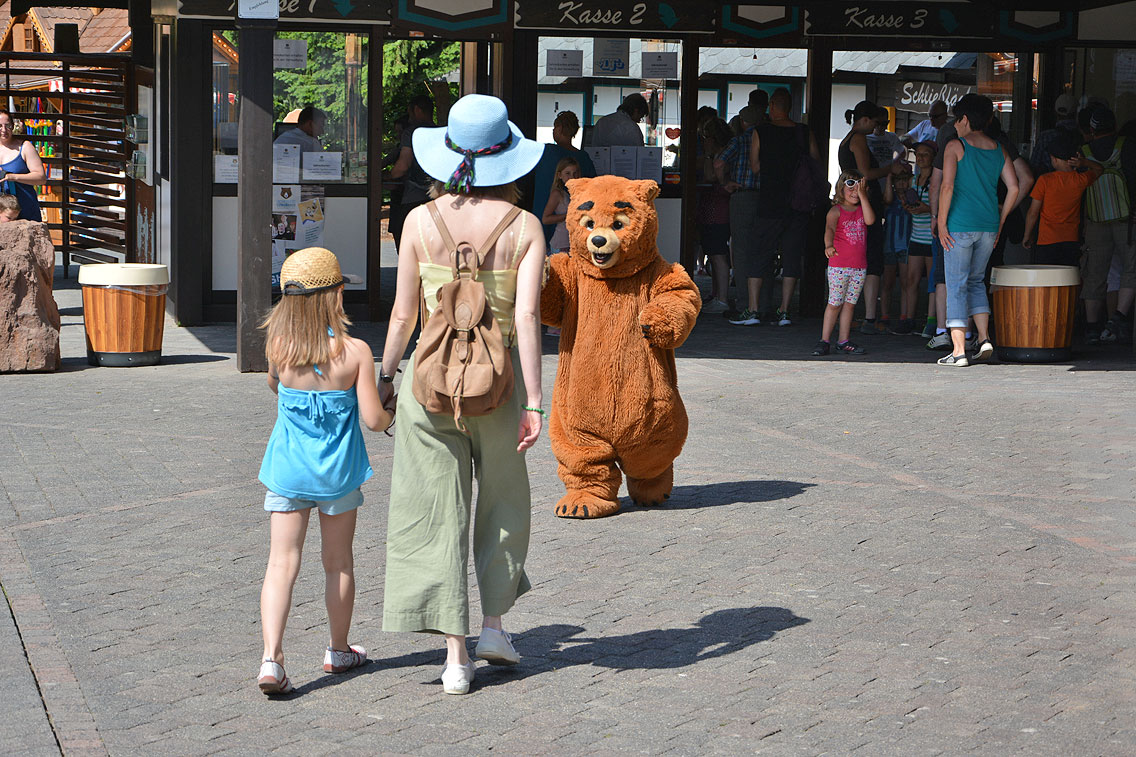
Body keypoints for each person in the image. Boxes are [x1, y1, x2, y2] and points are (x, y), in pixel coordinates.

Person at [377, 94, 546, 696]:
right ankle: (495, 627)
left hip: (430, 384)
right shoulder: (525, 228)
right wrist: (534, 401)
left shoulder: (419, 223)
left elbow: (401, 316)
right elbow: (527, 318)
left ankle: (455, 657)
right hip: (499, 388)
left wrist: (386, 375)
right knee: (504, 500)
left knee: (434, 509)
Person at [255, 247, 393, 695]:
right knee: (338, 562)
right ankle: (338, 649)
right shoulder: (355, 353)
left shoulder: (279, 346)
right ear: (335, 296)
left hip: (287, 471)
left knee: (281, 563)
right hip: (337, 473)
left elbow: (276, 386)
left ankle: (272, 660)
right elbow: (374, 419)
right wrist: (394, 410)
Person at [936, 94, 1020, 367]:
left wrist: (940, 221)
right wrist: (1001, 220)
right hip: (988, 227)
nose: (954, 125)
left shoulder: (955, 146)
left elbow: (947, 187)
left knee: (956, 285)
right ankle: (984, 338)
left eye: (956, 119)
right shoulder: (998, 149)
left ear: (965, 119)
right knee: (976, 283)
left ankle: (958, 351)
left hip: (959, 226)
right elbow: (1015, 187)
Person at [747, 87, 820, 326]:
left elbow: (755, 167)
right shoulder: (803, 132)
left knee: (759, 253)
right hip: (798, 204)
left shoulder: (761, 131)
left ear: (774, 106)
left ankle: (754, 309)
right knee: (791, 255)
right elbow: (815, 163)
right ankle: (785, 310)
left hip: (770, 201)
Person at [838, 101, 900, 334]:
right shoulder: (859, 139)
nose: (877, 127)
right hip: (866, 203)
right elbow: (866, 173)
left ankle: (850, 313)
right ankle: (870, 317)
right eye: (876, 122)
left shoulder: (846, 139)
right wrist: (889, 169)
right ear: (865, 120)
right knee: (872, 258)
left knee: (852, 256)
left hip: (850, 202)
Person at [1078, 107, 1136, 345]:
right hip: (1126, 218)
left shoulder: (1083, 152)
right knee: (1131, 267)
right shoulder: (1127, 146)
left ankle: (1092, 327)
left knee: (1095, 272)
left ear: (1091, 129)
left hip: (1095, 218)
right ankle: (1119, 316)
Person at [813, 171, 876, 356]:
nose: (855, 191)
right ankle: (824, 340)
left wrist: (863, 195)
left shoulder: (862, 209)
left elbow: (870, 220)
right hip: (839, 265)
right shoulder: (835, 210)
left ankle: (843, 340)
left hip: (858, 267)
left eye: (859, 186)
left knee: (850, 304)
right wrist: (828, 245)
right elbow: (830, 229)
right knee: (834, 303)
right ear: (841, 188)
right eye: (850, 186)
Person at [714, 105, 762, 325]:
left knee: (741, 251)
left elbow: (719, 162)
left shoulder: (739, 141)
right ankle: (763, 303)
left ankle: (745, 304)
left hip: (742, 196)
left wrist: (725, 183)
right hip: (767, 199)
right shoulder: (767, 139)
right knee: (763, 250)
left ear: (742, 122)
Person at [1022, 138, 1102, 266]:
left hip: (1046, 240)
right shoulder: (1080, 180)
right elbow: (1099, 169)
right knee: (1067, 281)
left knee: (1045, 280)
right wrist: (1084, 162)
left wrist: (1027, 235)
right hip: (1071, 239)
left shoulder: (1045, 180)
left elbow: (1033, 212)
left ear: (1054, 159)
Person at [530, 111, 596, 243]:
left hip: (542, 219)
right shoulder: (584, 158)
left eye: (555, 128)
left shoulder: (545, 152)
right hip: (570, 225)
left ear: (559, 128)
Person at [389, 94, 437, 252]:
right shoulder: (441, 132)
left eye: (410, 113)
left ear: (417, 110)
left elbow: (403, 166)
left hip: (414, 197)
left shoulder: (411, 133)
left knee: (407, 246)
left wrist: (384, 177)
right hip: (438, 197)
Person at [697, 117, 735, 313]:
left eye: (704, 136)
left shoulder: (718, 156)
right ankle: (717, 295)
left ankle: (722, 299)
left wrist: (708, 156)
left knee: (718, 254)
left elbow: (711, 177)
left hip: (717, 210)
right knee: (713, 253)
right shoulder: (723, 153)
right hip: (713, 209)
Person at [906, 141, 937, 338]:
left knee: (933, 282)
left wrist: (927, 209)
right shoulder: (913, 179)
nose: (921, 157)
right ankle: (909, 319)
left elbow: (944, 206)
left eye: (925, 154)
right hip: (916, 236)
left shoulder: (938, 178)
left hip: (932, 237)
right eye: (918, 154)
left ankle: (932, 322)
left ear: (934, 157)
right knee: (911, 279)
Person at [882, 167, 914, 333]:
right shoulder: (891, 198)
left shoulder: (911, 197)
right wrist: (888, 178)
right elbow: (886, 199)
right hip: (889, 245)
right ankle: (884, 315)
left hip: (906, 246)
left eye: (904, 179)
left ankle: (904, 315)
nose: (901, 183)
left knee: (906, 283)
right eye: (898, 180)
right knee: (887, 283)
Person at [0, 108, 44, 221]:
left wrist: (14, 177)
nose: (4, 130)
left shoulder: (25, 147)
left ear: (13, 126)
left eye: (7, 126)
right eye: (0, 126)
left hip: (26, 211)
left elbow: (41, 178)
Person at [1029, 94, 1081, 178]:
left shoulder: (1045, 136)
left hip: (1049, 185)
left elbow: (1034, 165)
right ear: (1075, 113)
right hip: (1077, 185)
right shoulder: (1083, 136)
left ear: (1056, 113)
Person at [542, 156, 580, 255]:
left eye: (575, 173)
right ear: (559, 175)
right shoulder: (557, 193)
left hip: (573, 243)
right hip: (561, 244)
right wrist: (569, 216)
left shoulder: (575, 193)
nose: (572, 177)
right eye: (567, 173)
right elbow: (545, 219)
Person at [867, 109, 905, 194]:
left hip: (887, 177)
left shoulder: (892, 136)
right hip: (873, 175)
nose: (880, 127)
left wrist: (894, 164)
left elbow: (902, 152)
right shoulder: (866, 138)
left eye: (884, 124)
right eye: (878, 124)